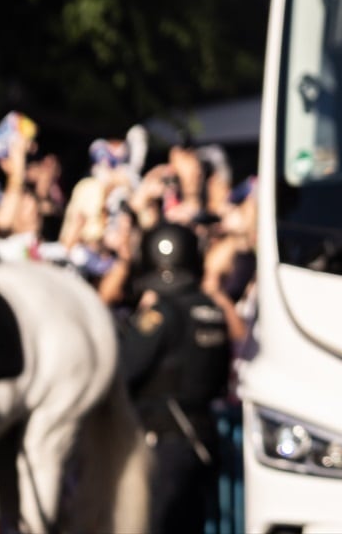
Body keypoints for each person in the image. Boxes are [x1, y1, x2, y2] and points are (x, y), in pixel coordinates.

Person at [119, 224, 232, 534]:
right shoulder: (211, 310)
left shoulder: (163, 313)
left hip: (164, 439)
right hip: (202, 438)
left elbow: (125, 369)